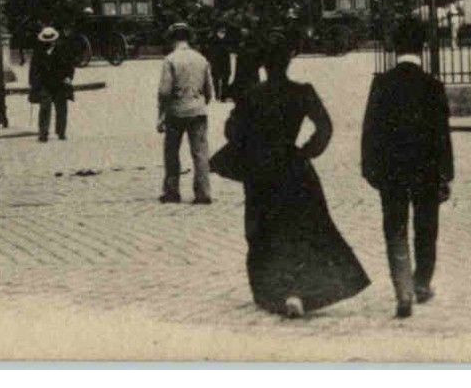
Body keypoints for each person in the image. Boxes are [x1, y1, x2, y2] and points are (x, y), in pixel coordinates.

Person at [225, 36, 370, 318]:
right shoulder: (302, 92)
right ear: (288, 61)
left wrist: (253, 146)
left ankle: (271, 289)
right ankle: (298, 289)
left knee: (262, 228)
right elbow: (325, 127)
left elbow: (232, 130)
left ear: (264, 65)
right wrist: (306, 152)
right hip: (293, 167)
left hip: (261, 169)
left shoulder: (252, 95)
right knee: (301, 227)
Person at [361, 19, 454, 318]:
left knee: (395, 227)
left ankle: (403, 291)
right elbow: (442, 134)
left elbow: (370, 130)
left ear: (394, 47)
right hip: (426, 168)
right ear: (423, 47)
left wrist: (370, 168)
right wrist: (446, 172)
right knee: (426, 227)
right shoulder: (433, 86)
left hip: (392, 170)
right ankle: (422, 282)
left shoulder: (382, 84)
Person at [157, 22, 213, 204]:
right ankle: (203, 193)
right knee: (200, 153)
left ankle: (172, 191)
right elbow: (209, 90)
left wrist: (161, 114)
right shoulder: (201, 59)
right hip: (198, 111)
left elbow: (164, 91)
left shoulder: (170, 60)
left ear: (173, 39)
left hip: (176, 112)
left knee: (172, 152)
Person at [30, 26, 76, 141]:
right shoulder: (38, 52)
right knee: (45, 107)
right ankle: (43, 133)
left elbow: (70, 65)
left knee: (61, 108)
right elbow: (33, 69)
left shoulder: (62, 50)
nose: (48, 43)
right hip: (45, 83)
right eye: (46, 41)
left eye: (50, 41)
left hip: (60, 83)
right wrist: (34, 83)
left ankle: (61, 132)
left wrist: (68, 78)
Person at [205, 16, 237, 101]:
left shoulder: (228, 37)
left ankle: (223, 96)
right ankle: (217, 95)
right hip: (216, 59)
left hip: (224, 59)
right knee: (216, 77)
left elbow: (232, 47)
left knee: (225, 77)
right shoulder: (212, 38)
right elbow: (209, 49)